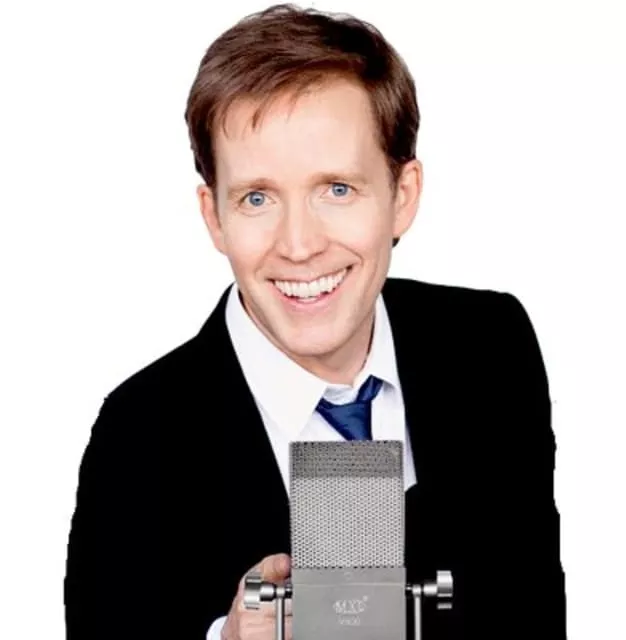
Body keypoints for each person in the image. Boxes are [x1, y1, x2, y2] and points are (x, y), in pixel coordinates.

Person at [64, 4, 566, 639]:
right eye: (257, 198)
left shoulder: (490, 346)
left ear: (402, 195)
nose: (299, 245)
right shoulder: (138, 436)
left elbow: (530, 608)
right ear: (214, 217)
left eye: (337, 189)